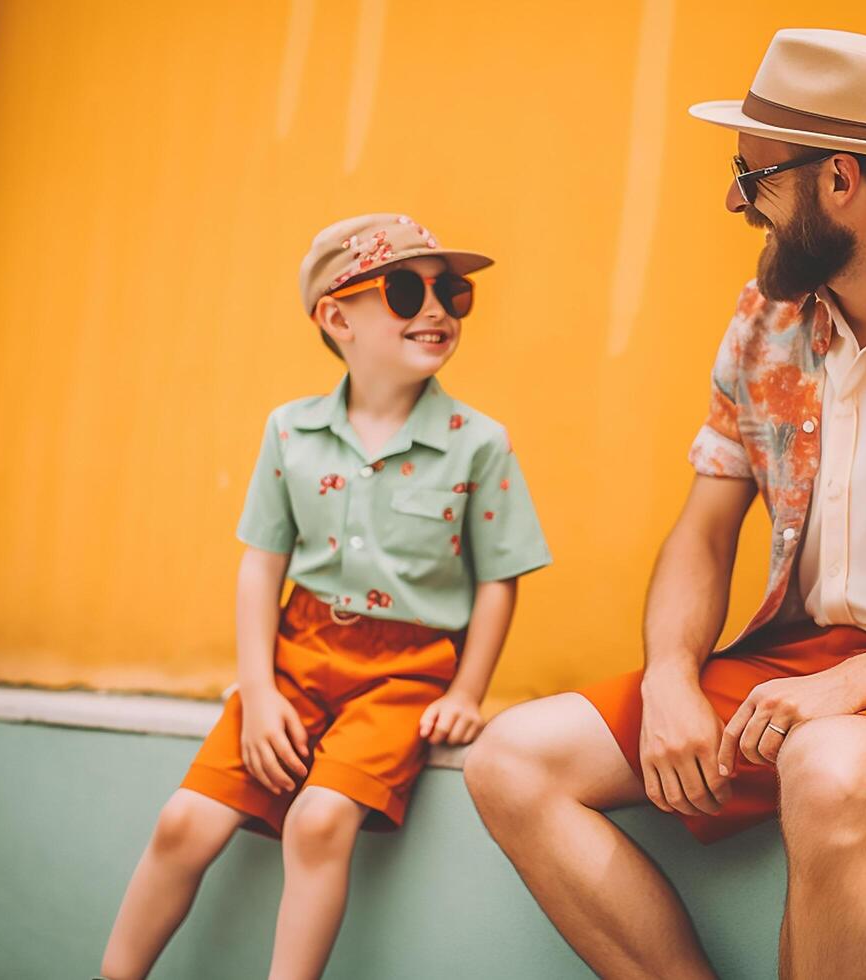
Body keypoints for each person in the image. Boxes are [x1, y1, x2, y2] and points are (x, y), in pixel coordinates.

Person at [464, 28, 866, 979]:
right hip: (802, 663)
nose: (735, 197)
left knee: (826, 771)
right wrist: (667, 681)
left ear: (840, 179)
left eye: (754, 172)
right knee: (508, 761)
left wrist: (846, 693)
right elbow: (702, 530)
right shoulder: (765, 319)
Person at [99, 213, 551, 980]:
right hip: (293, 657)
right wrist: (257, 687)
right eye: (406, 290)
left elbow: (497, 575)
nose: (436, 309)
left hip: (404, 673)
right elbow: (261, 566)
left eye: (452, 292)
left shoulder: (480, 441)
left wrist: (468, 691)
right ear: (337, 317)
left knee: (318, 820)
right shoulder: (290, 432)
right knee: (183, 822)